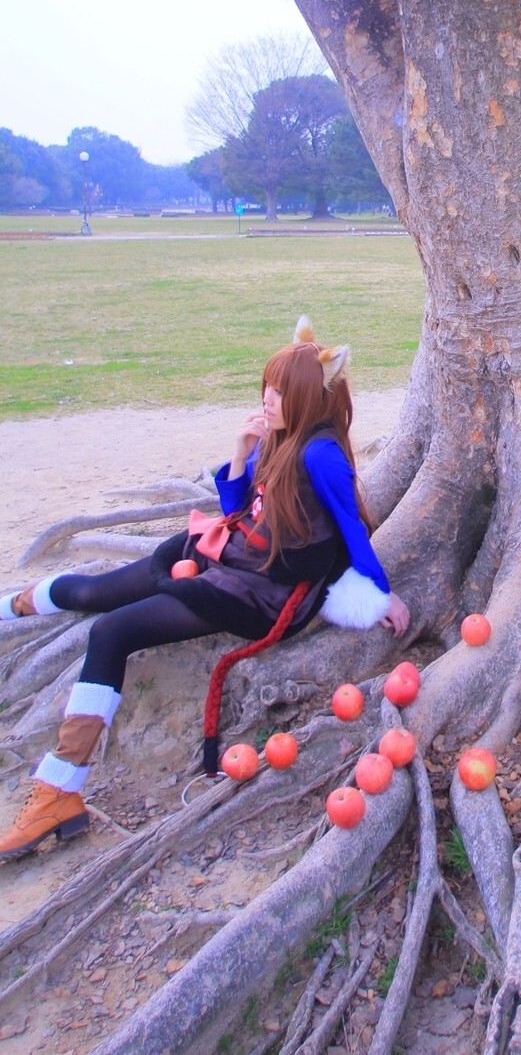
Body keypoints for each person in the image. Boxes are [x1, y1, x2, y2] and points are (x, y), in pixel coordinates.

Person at [0, 318, 409, 863]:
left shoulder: (320, 455)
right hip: (233, 553)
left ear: (311, 398)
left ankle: (58, 790)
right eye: (267, 387)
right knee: (98, 592)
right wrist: (241, 454)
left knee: (111, 631)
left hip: (260, 592)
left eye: (281, 392)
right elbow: (240, 509)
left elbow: (352, 529)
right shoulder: (279, 440)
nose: (267, 400)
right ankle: (14, 605)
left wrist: (382, 594)